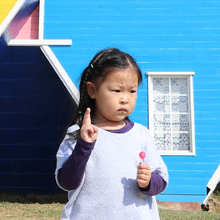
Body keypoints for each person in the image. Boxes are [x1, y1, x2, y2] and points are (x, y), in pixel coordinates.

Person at [55, 48, 168, 219]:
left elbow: (162, 179)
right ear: (92, 90)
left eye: (132, 91)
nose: (125, 98)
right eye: (116, 90)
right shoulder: (78, 134)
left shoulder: (141, 135)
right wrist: (84, 146)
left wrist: (149, 182)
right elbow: (67, 182)